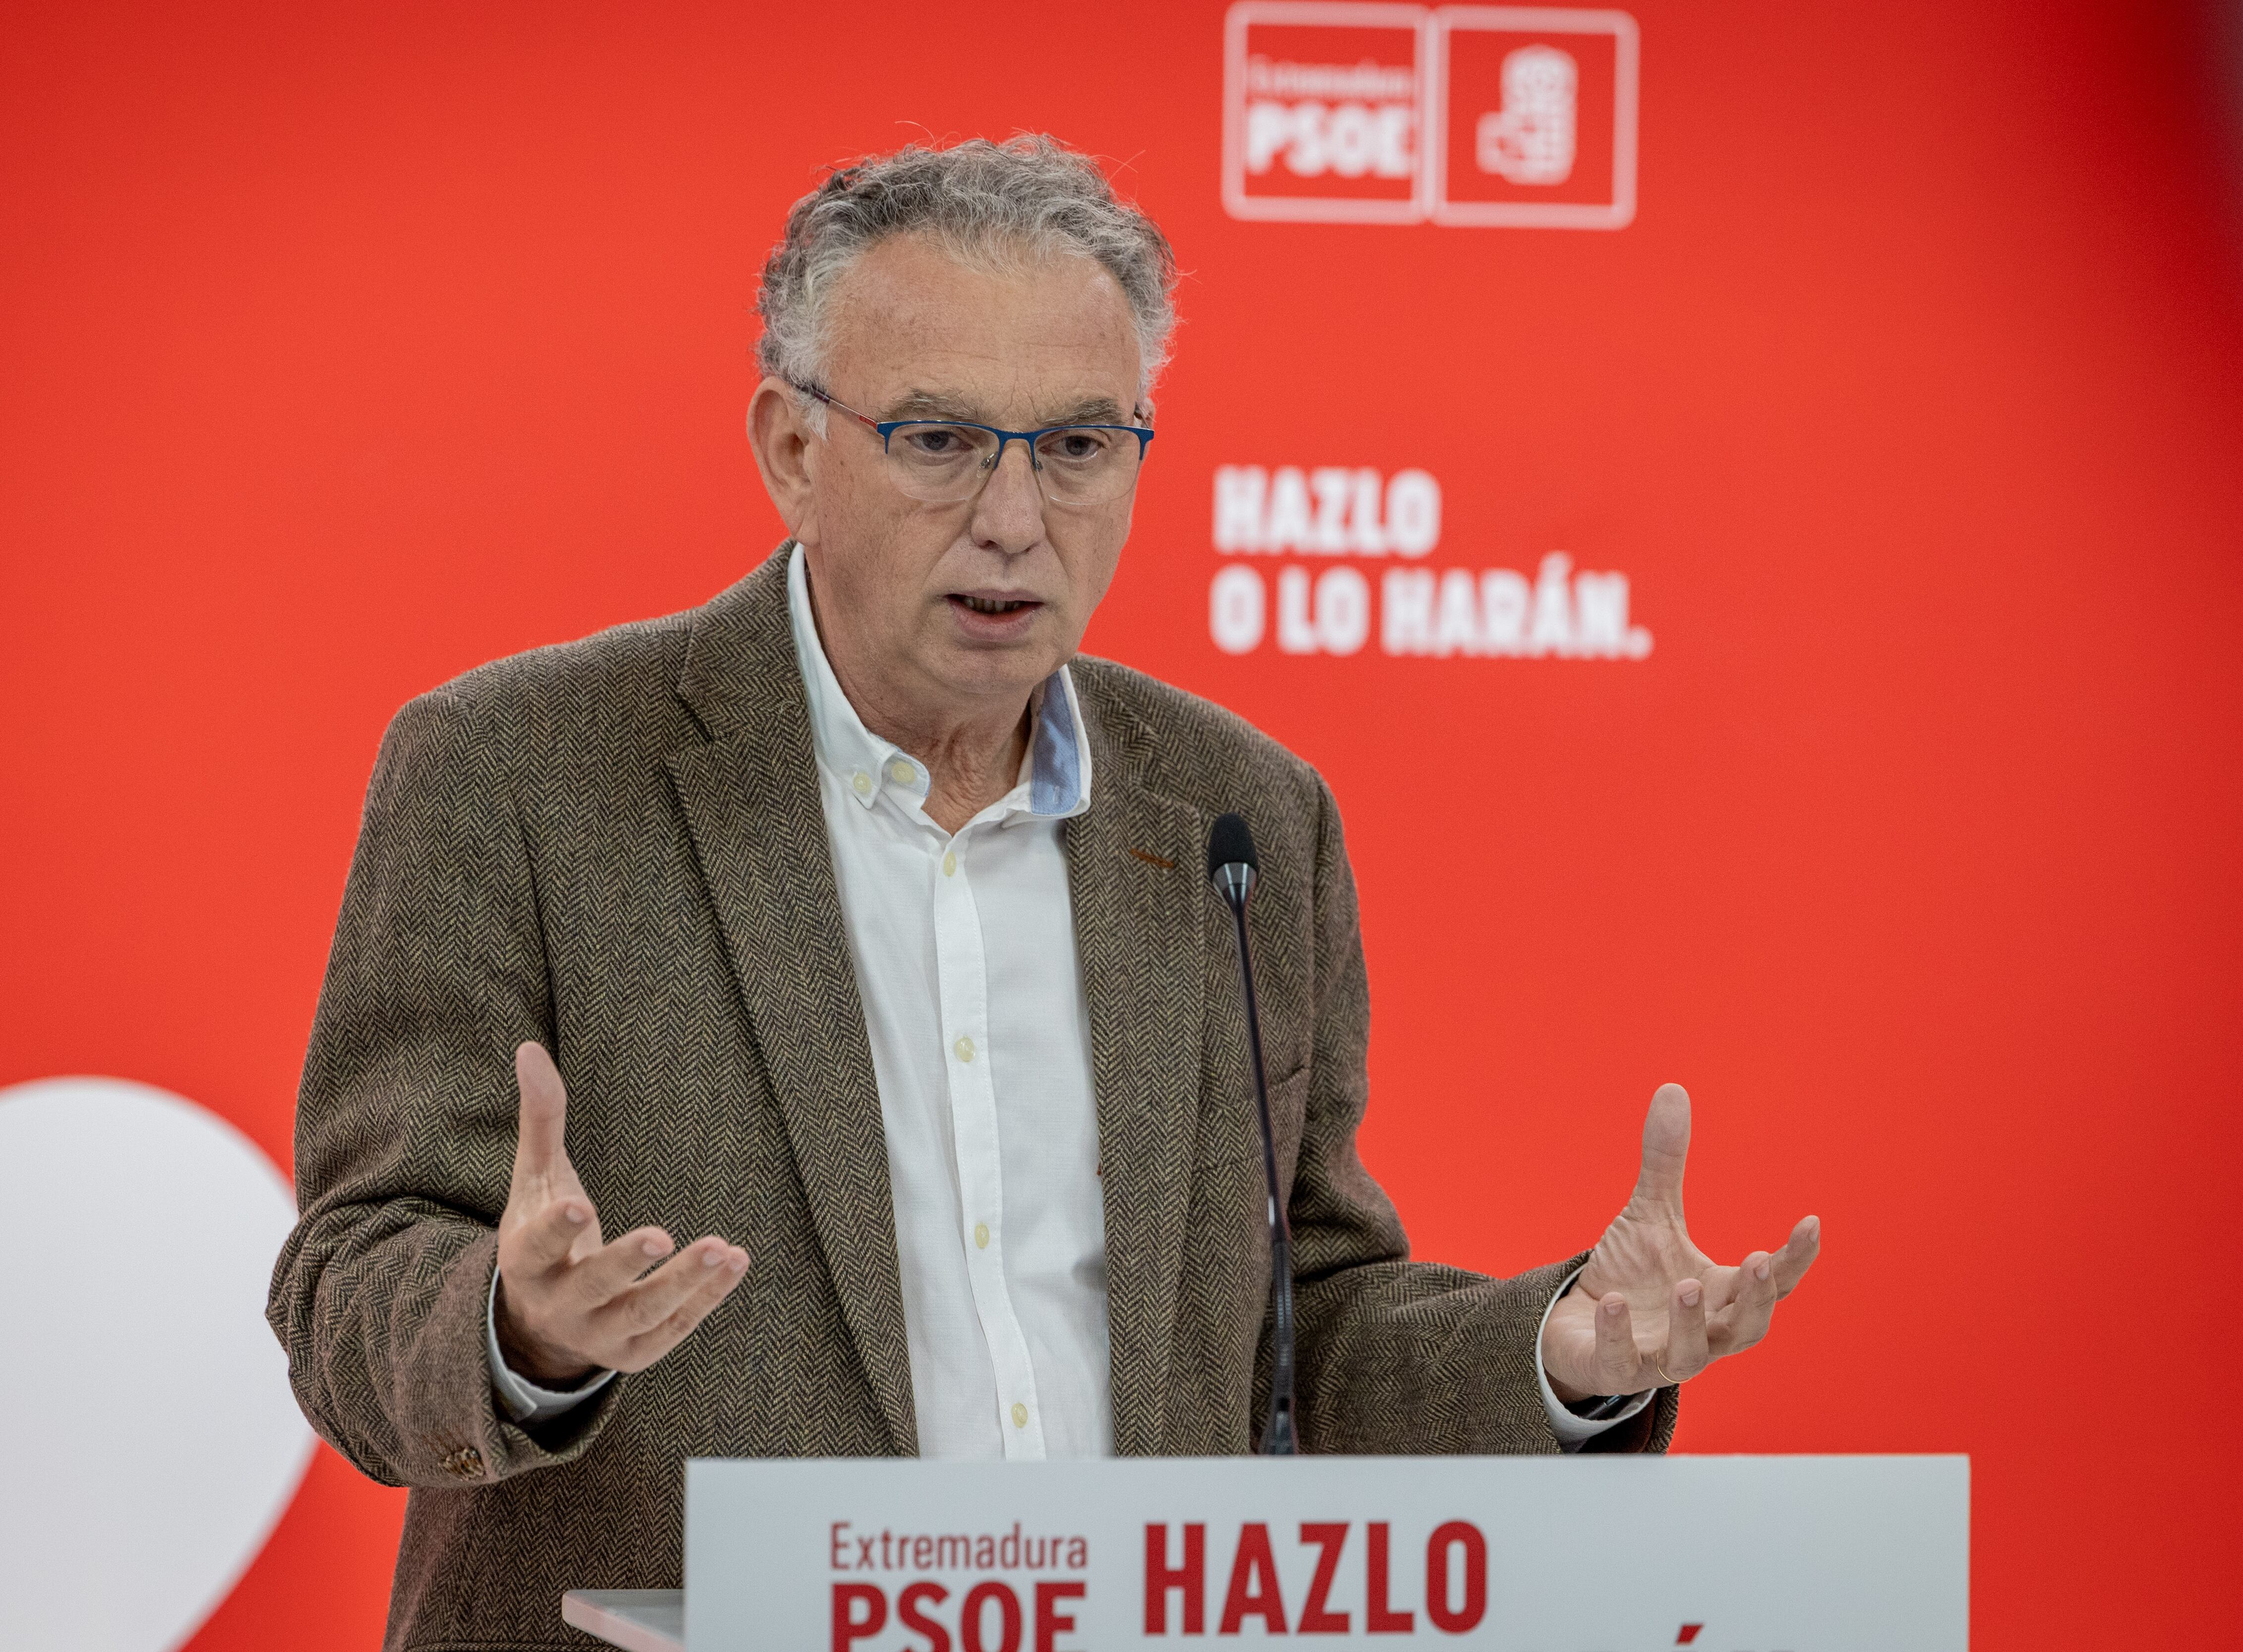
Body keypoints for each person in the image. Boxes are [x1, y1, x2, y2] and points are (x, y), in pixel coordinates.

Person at [267, 134, 1820, 1650]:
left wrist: (1555, 1357)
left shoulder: (1245, 816)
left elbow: (1300, 1339)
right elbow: (349, 1281)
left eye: (1079, 445)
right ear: (792, 449)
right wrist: (511, 1330)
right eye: (938, 440)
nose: (1015, 519)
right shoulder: (518, 772)